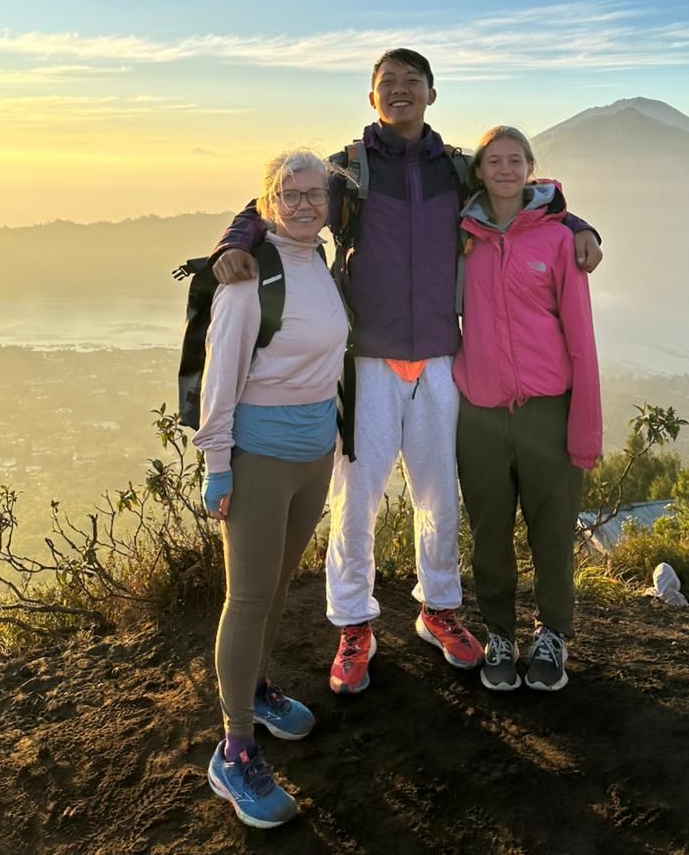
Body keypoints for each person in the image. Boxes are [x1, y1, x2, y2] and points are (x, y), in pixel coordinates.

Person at [212, 49, 602, 696]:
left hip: (441, 357)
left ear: (431, 94)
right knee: (356, 497)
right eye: (387, 85)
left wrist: (581, 225)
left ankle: (439, 609)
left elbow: (526, 199)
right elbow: (279, 200)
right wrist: (233, 240)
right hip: (366, 356)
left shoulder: (454, 168)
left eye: (411, 84)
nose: (400, 93)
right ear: (372, 98)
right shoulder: (350, 171)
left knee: (438, 494)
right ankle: (354, 623)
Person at [196, 148, 348, 829]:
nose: (307, 204)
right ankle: (234, 750)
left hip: (314, 454)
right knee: (250, 597)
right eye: (292, 194)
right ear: (268, 201)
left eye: (317, 193)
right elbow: (220, 378)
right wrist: (217, 466)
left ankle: (254, 691)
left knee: (280, 587)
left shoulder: (325, 266)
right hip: (258, 458)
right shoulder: (248, 279)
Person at [454, 126, 603, 694]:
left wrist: (584, 428)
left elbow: (581, 340)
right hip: (482, 413)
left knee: (551, 532)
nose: (506, 169)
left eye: (516, 160)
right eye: (495, 160)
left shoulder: (560, 239)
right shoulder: (461, 235)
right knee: (489, 533)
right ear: (480, 170)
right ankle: (498, 635)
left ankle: (552, 636)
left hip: (548, 409)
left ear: (532, 168)